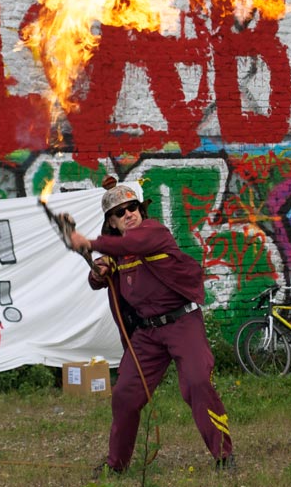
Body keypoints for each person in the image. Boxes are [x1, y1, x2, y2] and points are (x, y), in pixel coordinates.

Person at [69, 178, 234, 474]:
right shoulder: (117, 253)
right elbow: (97, 281)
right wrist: (99, 269)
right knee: (124, 395)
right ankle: (115, 466)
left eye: (132, 207)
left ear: (141, 211)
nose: (128, 214)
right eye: (119, 213)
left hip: (182, 322)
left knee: (197, 383)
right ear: (113, 223)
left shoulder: (154, 232)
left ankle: (224, 455)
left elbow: (135, 243)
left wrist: (89, 243)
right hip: (147, 334)